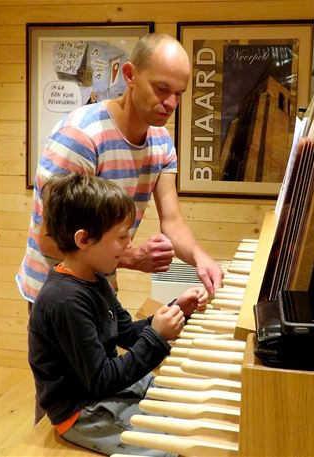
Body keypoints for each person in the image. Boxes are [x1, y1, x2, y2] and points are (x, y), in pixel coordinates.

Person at [16, 32, 223, 307]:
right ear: (129, 75)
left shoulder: (161, 143)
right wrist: (131, 257)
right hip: (56, 297)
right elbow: (51, 240)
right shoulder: (81, 136)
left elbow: (172, 221)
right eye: (162, 89)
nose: (171, 103)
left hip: (100, 289)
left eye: (179, 93)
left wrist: (200, 257)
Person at [28, 173, 208, 456]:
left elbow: (126, 332)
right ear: (84, 239)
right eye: (122, 236)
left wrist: (176, 310)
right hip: (83, 410)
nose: (129, 245)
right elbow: (101, 380)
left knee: (184, 403)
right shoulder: (64, 301)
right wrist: (157, 336)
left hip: (104, 389)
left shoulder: (96, 278)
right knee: (169, 447)